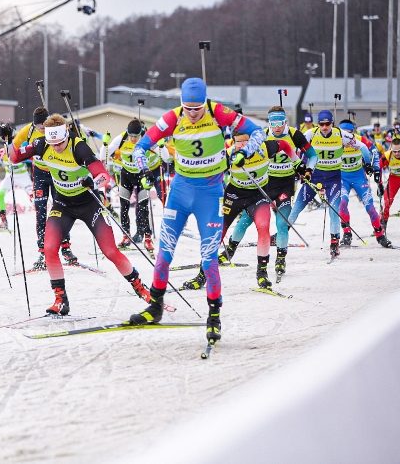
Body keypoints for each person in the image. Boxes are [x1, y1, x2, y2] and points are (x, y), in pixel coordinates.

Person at [126, 77, 265, 346]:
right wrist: (143, 168)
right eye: (187, 108)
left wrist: (244, 151)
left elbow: (258, 131)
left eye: (197, 108)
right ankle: (155, 307)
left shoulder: (218, 112)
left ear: (205, 103)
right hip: (180, 192)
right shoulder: (171, 118)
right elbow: (140, 147)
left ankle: (214, 316)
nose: (192, 113)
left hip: (209, 194)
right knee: (164, 254)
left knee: (209, 258)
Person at [8, 114, 154, 315]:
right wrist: (8, 140)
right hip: (62, 205)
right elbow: (14, 157)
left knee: (110, 251)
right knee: (49, 249)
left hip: (88, 204)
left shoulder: (78, 147)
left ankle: (141, 288)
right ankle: (61, 300)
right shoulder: (42, 144)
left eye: (59, 142)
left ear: (66, 135)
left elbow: (103, 175)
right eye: (53, 143)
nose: (57, 147)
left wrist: (94, 181)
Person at [181, 131, 296, 290]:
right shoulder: (228, 155)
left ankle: (262, 274)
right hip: (234, 195)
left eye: (245, 142)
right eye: (238, 142)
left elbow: (283, 144)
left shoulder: (265, 148)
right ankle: (202, 275)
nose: (241, 145)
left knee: (263, 227)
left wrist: (297, 163)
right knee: (217, 233)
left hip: (258, 194)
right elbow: (212, 174)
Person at [219, 107, 317, 280]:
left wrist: (306, 169)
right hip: (264, 183)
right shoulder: (261, 135)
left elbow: (312, 155)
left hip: (285, 185)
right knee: (246, 220)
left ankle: (280, 258)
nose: (276, 127)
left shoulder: (295, 135)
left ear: (285, 121)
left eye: (279, 123)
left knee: (281, 223)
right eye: (273, 123)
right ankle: (231, 250)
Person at [288, 110, 381, 259]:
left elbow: (363, 147)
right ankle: (281, 235)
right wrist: (298, 165)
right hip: (314, 176)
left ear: (332, 123)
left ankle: (334, 244)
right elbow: (296, 149)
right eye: (321, 124)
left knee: (334, 212)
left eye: (327, 124)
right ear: (318, 124)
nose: (324, 127)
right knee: (297, 207)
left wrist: (368, 164)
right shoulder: (311, 134)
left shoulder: (341, 135)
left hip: (333, 179)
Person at [5, 107, 78, 271]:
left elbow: (74, 141)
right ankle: (43, 250)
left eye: (43, 126)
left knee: (62, 210)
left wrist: (75, 129)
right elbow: (13, 153)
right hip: (39, 175)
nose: (41, 129)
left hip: (57, 173)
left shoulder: (54, 129)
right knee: (40, 211)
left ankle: (65, 246)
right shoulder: (27, 131)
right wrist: (8, 139)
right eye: (38, 126)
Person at [104, 119, 157, 253]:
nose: (133, 139)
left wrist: (161, 146)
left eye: (136, 136)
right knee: (124, 206)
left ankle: (147, 238)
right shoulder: (121, 138)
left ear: (141, 134)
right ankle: (126, 236)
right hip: (126, 174)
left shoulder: (147, 139)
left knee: (143, 208)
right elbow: (102, 155)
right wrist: (105, 144)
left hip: (142, 175)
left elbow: (166, 157)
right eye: (131, 136)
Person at [335, 119, 390, 247]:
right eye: (343, 133)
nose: (346, 137)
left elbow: (375, 152)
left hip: (359, 177)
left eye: (349, 133)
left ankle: (380, 235)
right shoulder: (335, 141)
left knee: (370, 206)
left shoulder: (360, 140)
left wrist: (375, 169)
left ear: (353, 132)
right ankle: (347, 234)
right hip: (343, 178)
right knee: (342, 203)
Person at [0, 147, 32, 231]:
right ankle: (3, 222)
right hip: (9, 177)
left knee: (33, 195)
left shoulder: (19, 151)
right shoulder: (1, 153)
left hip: (23, 177)